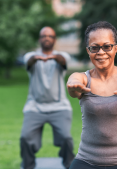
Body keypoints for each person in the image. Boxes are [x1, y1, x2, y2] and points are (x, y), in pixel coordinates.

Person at [67, 21, 117, 169]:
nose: (101, 52)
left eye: (107, 46)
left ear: (115, 48)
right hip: (87, 160)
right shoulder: (83, 78)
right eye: (94, 48)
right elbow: (73, 86)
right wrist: (72, 85)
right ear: (88, 50)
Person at [20, 26, 74, 169]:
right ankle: (28, 166)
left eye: (50, 36)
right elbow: (29, 61)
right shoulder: (31, 56)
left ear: (54, 40)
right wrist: (35, 58)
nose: (47, 38)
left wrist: (54, 57)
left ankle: (69, 165)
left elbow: (63, 61)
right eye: (44, 36)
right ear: (39, 39)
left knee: (67, 139)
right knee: (25, 138)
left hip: (59, 107)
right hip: (34, 107)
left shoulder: (62, 56)